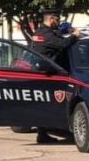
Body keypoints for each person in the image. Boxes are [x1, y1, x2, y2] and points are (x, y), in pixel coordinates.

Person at [32, 9, 81, 144]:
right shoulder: (45, 35)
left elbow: (57, 36)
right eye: (57, 20)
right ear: (51, 19)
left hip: (48, 73)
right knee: (46, 105)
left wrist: (67, 30)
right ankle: (43, 134)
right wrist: (74, 36)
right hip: (47, 75)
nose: (58, 22)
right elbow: (62, 44)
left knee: (45, 105)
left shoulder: (40, 32)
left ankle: (43, 133)